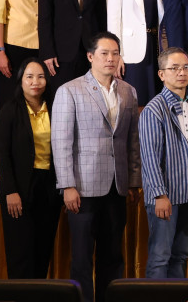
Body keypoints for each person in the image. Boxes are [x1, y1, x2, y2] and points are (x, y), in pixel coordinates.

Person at [51, 31, 140, 302]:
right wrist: (67, 185)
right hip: (83, 188)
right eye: (104, 53)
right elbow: (61, 142)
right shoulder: (70, 90)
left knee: (113, 256)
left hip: (118, 186)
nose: (111, 58)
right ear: (91, 57)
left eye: (115, 53)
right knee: (81, 258)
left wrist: (134, 180)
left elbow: (132, 141)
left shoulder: (128, 91)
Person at [139, 48, 188, 279]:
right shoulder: (154, 109)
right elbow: (149, 157)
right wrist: (160, 195)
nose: (181, 72)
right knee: (160, 257)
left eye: (186, 67)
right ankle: (157, 296)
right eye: (174, 68)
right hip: (166, 196)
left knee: (181, 255)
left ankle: (176, 295)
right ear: (161, 74)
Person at [0, 55, 61, 279]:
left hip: (48, 187)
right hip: (19, 189)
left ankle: (39, 294)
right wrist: (10, 190)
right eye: (29, 76)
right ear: (20, 80)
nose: (35, 82)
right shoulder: (10, 109)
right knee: (20, 255)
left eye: (41, 76)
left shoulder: (55, 108)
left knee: (42, 252)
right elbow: (2, 153)